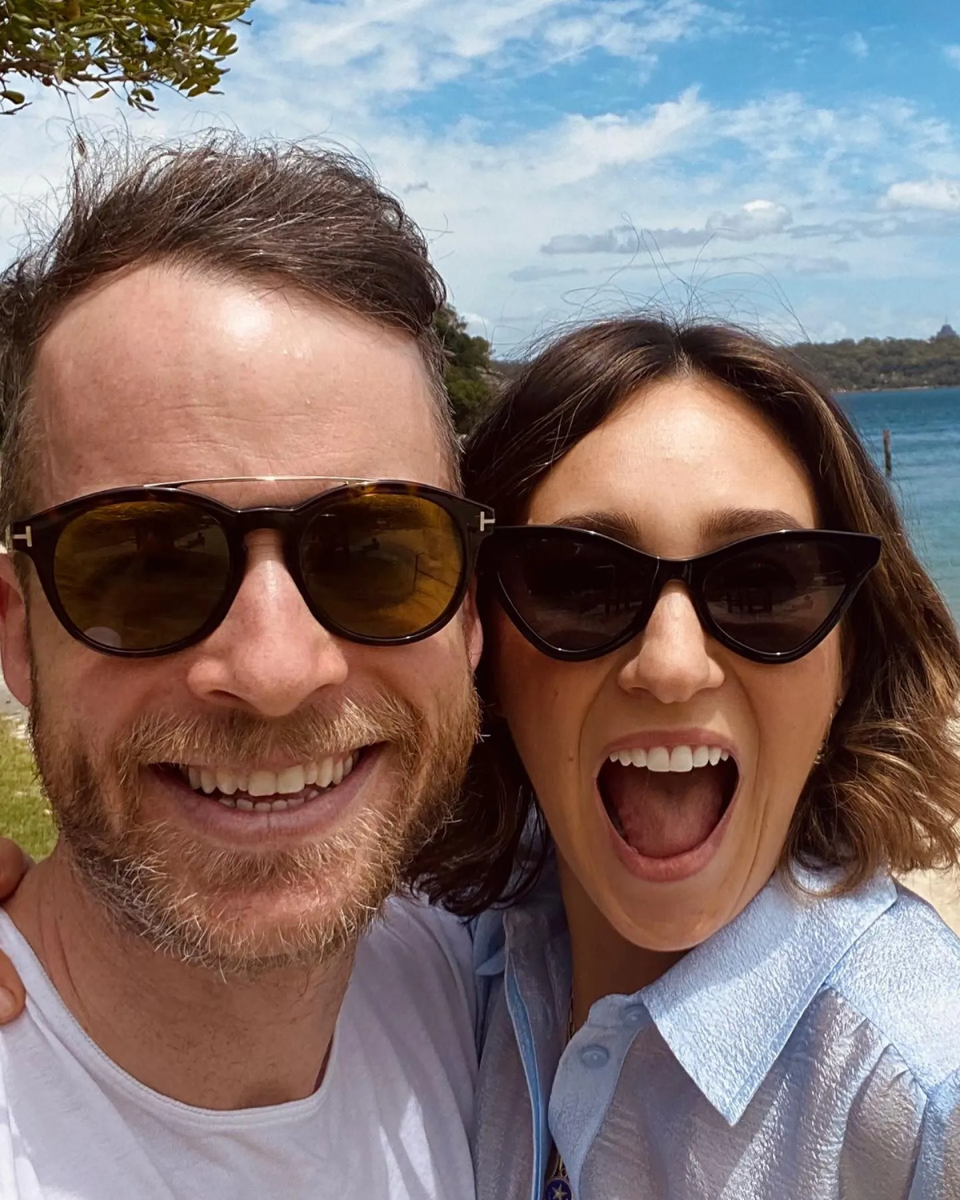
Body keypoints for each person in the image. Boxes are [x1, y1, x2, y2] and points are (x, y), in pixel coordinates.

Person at [0, 134, 490, 1198]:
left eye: (374, 554)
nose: (273, 669)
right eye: (145, 563)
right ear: (14, 631)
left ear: (471, 617)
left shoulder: (492, 990)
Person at [458, 317, 960, 1198]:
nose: (674, 665)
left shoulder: (921, 1095)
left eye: (763, 585)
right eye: (580, 582)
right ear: (483, 647)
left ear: (850, 658)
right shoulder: (455, 963)